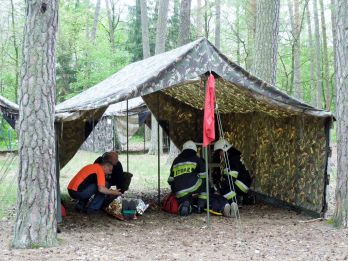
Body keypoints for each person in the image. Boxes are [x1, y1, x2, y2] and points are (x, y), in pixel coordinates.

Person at [168, 140, 206, 216]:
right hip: (193, 187)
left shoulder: (176, 160)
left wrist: (175, 187)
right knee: (205, 184)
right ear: (194, 149)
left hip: (178, 190)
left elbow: (170, 180)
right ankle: (200, 207)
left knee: (186, 199)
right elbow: (204, 176)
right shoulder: (197, 159)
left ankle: (186, 205)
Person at [213, 138, 252, 209]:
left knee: (224, 188)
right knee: (224, 185)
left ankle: (233, 202)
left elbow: (230, 178)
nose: (220, 155)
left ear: (223, 150)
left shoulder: (232, 159)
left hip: (241, 184)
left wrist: (219, 187)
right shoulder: (233, 157)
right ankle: (237, 199)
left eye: (219, 152)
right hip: (243, 183)